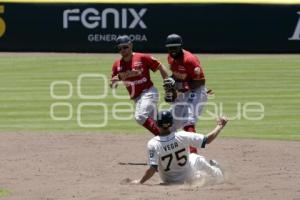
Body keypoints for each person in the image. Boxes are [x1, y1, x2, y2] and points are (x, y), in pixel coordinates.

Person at [132, 110, 228, 184]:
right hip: (188, 176)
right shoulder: (182, 136)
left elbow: (152, 169)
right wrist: (220, 126)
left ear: (157, 124)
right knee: (197, 158)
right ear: (171, 123)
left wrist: (140, 181)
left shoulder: (153, 143)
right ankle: (218, 174)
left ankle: (206, 173)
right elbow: (207, 140)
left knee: (193, 158)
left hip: (168, 180)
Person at [110, 35, 169, 135]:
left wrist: (167, 84)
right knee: (158, 124)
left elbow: (160, 66)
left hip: (149, 93)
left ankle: (162, 138)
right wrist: (113, 83)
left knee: (140, 117)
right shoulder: (117, 64)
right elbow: (112, 84)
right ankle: (171, 140)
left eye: (125, 47)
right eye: (120, 48)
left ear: (131, 45)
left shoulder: (142, 57)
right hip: (137, 99)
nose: (122, 50)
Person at [163, 33, 211, 153]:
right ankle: (172, 152)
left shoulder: (190, 60)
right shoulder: (170, 57)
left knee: (188, 121)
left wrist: (180, 86)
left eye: (175, 47)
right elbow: (176, 75)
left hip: (196, 91)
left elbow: (201, 81)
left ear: (180, 46)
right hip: (184, 91)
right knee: (172, 123)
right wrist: (171, 86)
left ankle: (194, 154)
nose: (172, 50)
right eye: (170, 48)